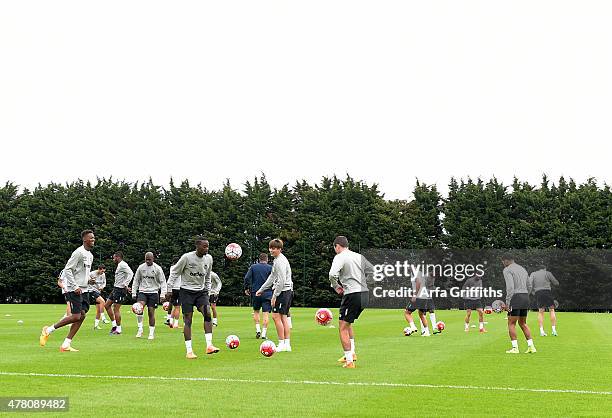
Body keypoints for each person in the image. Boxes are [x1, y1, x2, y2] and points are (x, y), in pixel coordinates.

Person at [40, 230, 95, 352]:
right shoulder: (78, 253)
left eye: (93, 238)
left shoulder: (90, 255)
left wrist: (89, 281)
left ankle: (66, 344)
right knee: (76, 316)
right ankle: (48, 330)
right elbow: (68, 270)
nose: (93, 240)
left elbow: (82, 273)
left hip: (84, 289)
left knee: (82, 315)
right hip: (73, 289)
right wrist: (74, 286)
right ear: (85, 240)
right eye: (91, 238)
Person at [166, 237, 219, 359]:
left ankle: (209, 345)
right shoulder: (186, 258)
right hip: (186, 292)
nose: (207, 249)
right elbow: (174, 272)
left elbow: (207, 277)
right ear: (197, 246)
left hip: (201, 292)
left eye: (208, 246)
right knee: (188, 320)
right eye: (204, 246)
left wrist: (208, 290)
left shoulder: (209, 259)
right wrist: (169, 290)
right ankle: (189, 351)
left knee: (207, 314)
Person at [329, 236, 372, 369]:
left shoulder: (340, 256)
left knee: (342, 327)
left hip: (352, 294)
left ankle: (349, 361)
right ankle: (352, 354)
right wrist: (366, 284)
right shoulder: (359, 256)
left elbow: (332, 274)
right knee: (348, 323)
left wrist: (336, 287)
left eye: (335, 248)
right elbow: (372, 271)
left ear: (337, 246)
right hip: (365, 294)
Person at [255, 239, 293, 352]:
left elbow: (281, 280)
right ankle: (287, 344)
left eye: (274, 248)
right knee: (283, 317)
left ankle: (281, 344)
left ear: (279, 249)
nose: (271, 250)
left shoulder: (280, 261)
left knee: (276, 316)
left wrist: (275, 295)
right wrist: (262, 289)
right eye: (270, 248)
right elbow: (272, 277)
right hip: (287, 291)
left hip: (283, 291)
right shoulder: (277, 260)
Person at [502, 254, 536, 354]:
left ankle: (515, 348)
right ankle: (531, 347)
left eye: (503, 262)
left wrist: (507, 302)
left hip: (515, 297)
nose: (503, 264)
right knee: (523, 323)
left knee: (511, 323)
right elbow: (529, 285)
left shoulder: (507, 270)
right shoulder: (522, 269)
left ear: (506, 261)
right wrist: (525, 295)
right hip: (525, 296)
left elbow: (510, 287)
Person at [132, 252, 167, 340]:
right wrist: (133, 292)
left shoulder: (157, 268)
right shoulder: (141, 267)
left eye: (149, 259)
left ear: (153, 259)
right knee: (139, 308)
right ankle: (140, 329)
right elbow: (136, 280)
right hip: (142, 291)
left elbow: (163, 282)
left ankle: (151, 333)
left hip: (153, 292)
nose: (147, 261)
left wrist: (163, 294)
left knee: (151, 312)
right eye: (146, 259)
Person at [244, 253, 273, 339]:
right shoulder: (270, 268)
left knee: (256, 311)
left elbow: (246, 278)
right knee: (266, 314)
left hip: (255, 293)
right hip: (267, 293)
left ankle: (258, 330)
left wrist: (246, 288)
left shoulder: (253, 267)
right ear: (266, 259)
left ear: (259, 259)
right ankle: (264, 334)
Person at [105, 251, 134, 335]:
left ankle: (118, 329)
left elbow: (131, 273)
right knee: (106, 305)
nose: (113, 259)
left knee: (116, 309)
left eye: (114, 257)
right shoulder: (119, 265)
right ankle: (114, 325)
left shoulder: (123, 265)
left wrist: (125, 284)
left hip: (120, 290)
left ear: (118, 257)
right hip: (115, 288)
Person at [529, 266, 559, 336]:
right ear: (544, 269)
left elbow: (529, 284)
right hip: (547, 292)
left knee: (541, 312)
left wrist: (533, 292)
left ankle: (541, 331)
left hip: (538, 293)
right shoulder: (548, 273)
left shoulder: (533, 274)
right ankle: (554, 330)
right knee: (551, 310)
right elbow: (556, 283)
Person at [88, 264, 109, 329]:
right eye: (102, 271)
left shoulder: (103, 275)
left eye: (103, 271)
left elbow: (104, 283)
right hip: (91, 291)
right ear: (99, 269)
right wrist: (91, 281)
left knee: (98, 309)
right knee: (103, 301)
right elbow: (87, 281)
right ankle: (103, 318)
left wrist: (102, 287)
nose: (102, 273)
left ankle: (96, 325)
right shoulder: (91, 274)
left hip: (98, 292)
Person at [164, 257, 181, 329]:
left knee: (174, 305)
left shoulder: (172, 268)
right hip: (178, 288)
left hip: (172, 289)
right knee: (178, 307)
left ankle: (170, 321)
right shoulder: (180, 268)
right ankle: (176, 324)